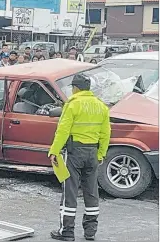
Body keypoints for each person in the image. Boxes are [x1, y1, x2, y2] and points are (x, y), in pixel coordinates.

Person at [48, 74, 111, 241]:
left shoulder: (73, 105)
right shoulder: (101, 106)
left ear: (75, 88)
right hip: (92, 153)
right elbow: (106, 134)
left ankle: (67, 232)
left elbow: (63, 130)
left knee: (70, 191)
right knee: (91, 191)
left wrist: (54, 151)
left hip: (74, 152)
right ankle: (90, 231)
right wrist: (101, 154)